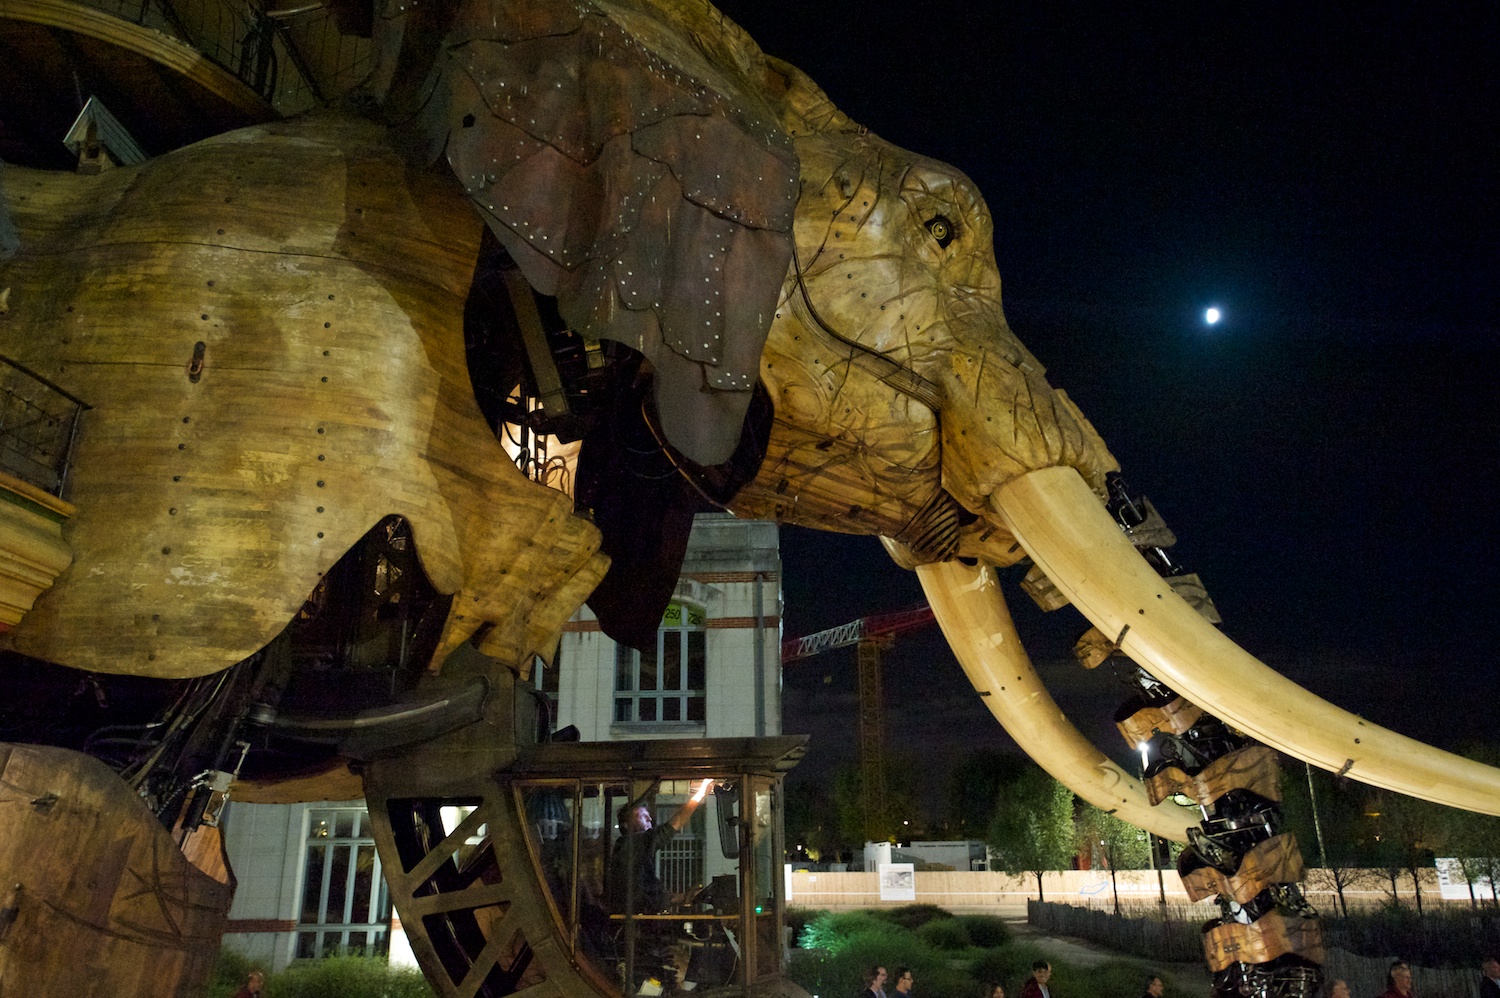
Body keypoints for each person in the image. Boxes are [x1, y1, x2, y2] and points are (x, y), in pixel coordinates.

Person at [608, 778, 714, 913]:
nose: (650, 819)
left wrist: (687, 896)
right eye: (642, 816)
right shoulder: (630, 844)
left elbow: (652, 896)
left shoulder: (637, 853)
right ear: (626, 825)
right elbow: (673, 826)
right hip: (634, 921)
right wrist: (700, 794)